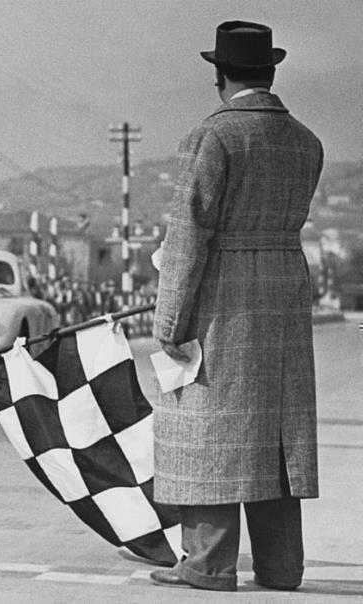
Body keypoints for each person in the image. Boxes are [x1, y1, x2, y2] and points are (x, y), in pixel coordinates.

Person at [151, 21, 323, 592]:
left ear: (219, 77)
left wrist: (169, 320)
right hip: (285, 287)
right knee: (275, 429)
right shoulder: (306, 140)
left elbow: (189, 232)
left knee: (207, 425)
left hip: (222, 291)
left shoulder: (214, 137)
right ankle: (280, 566)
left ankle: (208, 563)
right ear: (270, 72)